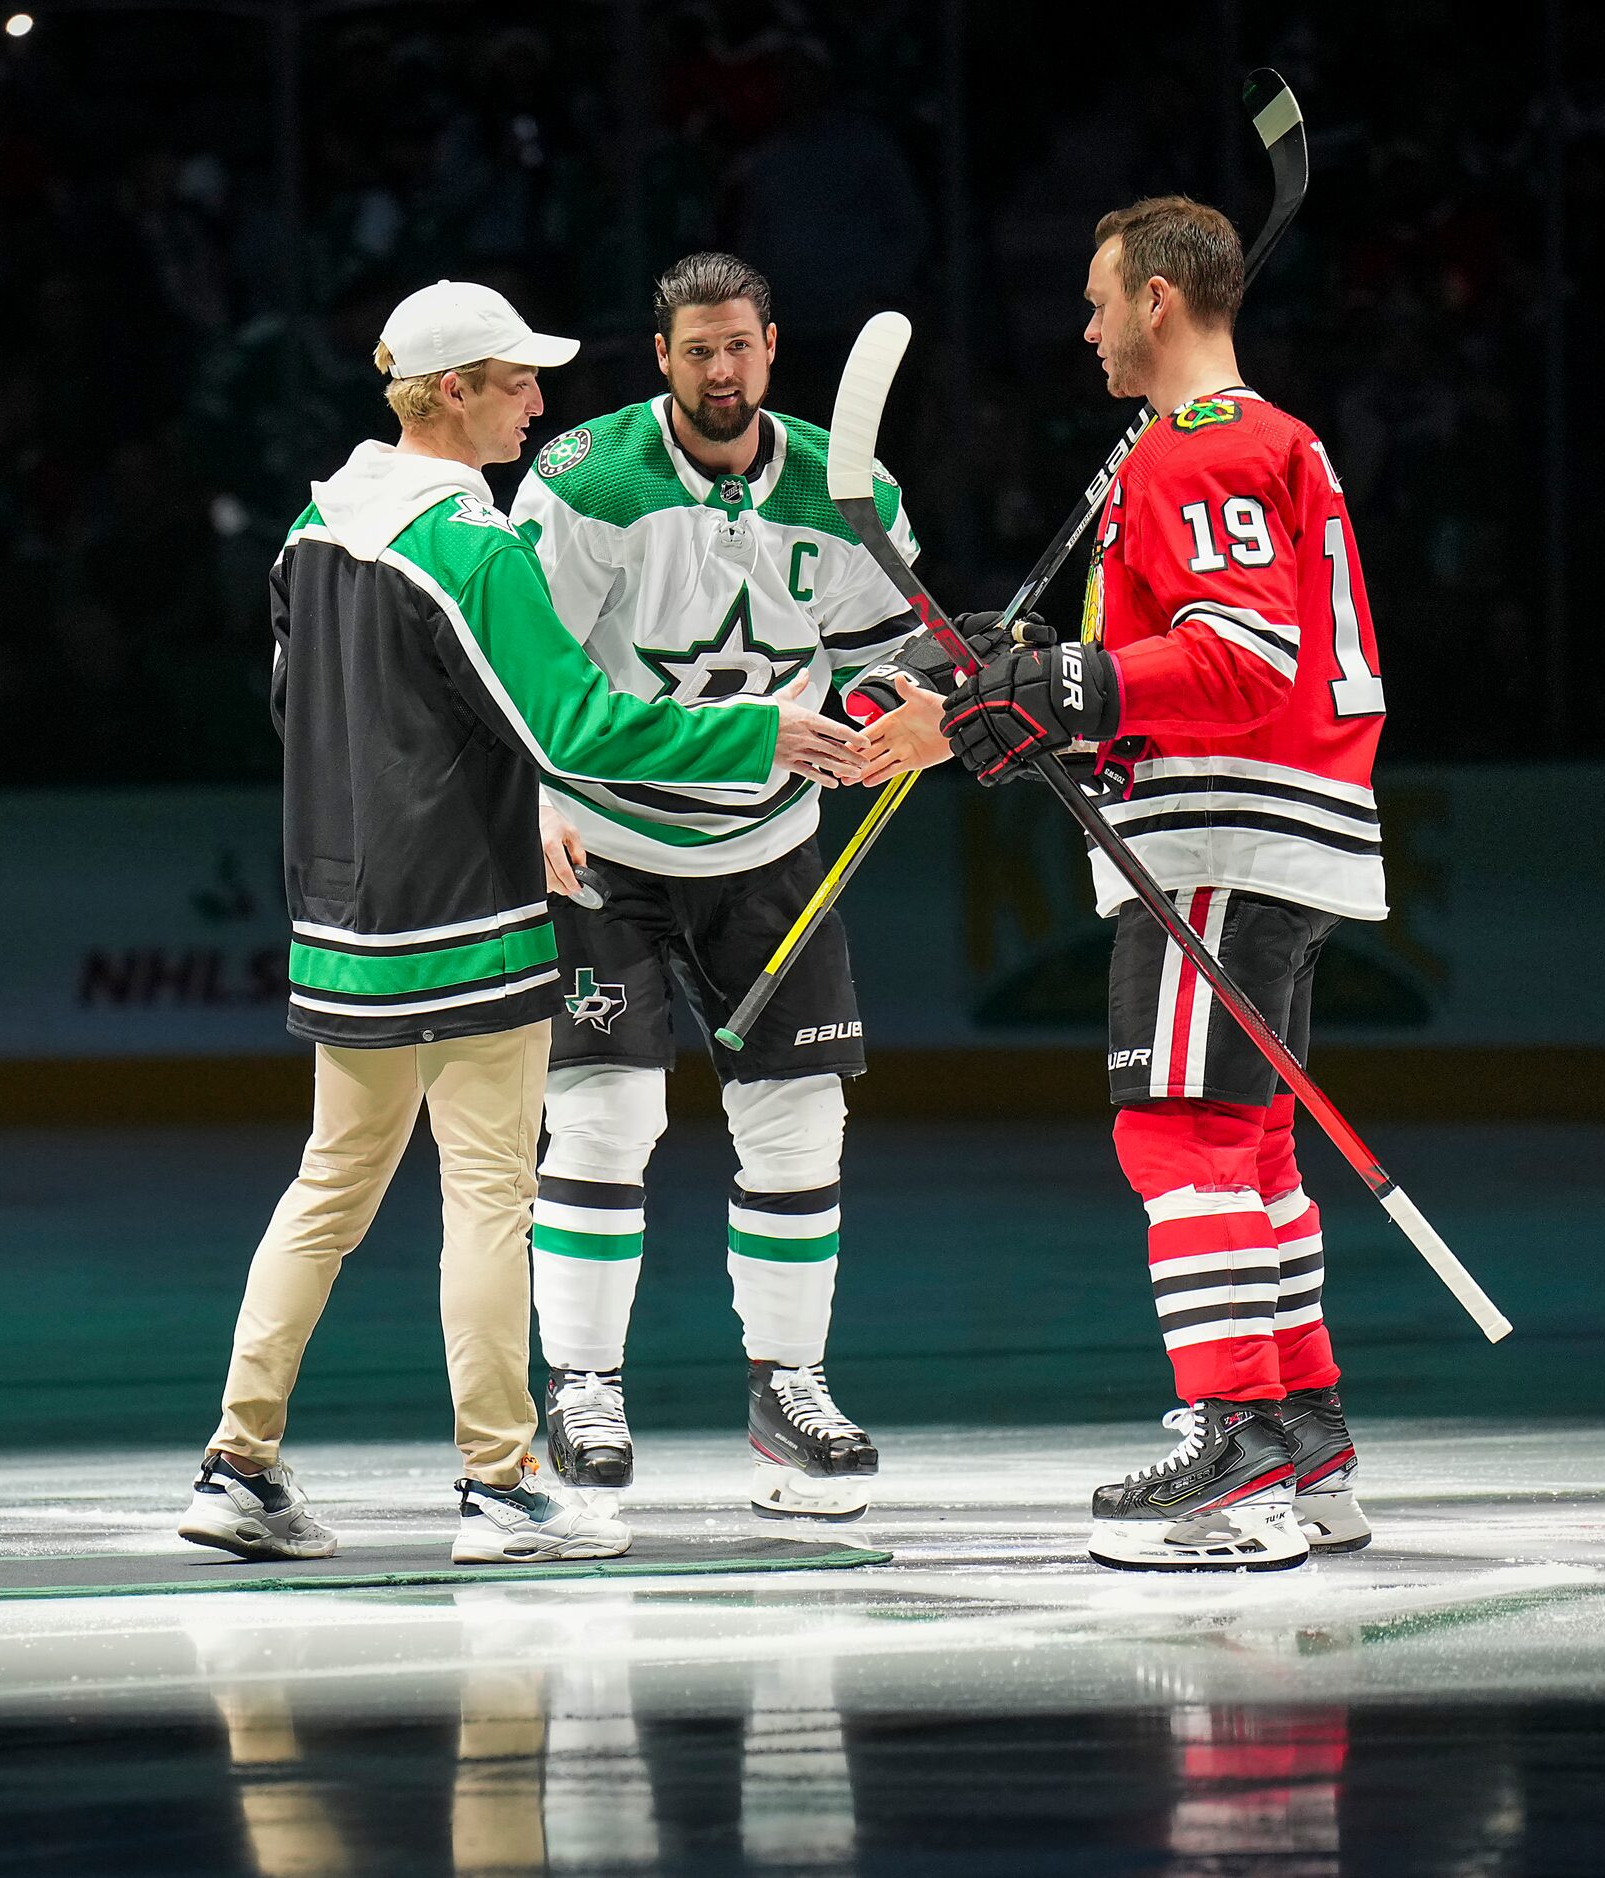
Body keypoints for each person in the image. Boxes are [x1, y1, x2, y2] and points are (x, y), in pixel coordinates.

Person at [179, 280, 868, 1566]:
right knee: (489, 1194)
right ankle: (500, 1482)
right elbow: (578, 728)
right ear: (451, 392)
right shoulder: (469, 544)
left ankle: (238, 1462)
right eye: (513, 380)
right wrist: (757, 728)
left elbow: (289, 701)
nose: (538, 402)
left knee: (331, 1186)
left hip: (341, 914)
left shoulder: (315, 525)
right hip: (470, 914)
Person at [857, 197, 1386, 1572]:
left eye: (1099, 301)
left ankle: (1235, 1456)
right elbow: (1162, 661)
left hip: (1222, 837)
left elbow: (1236, 659)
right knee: (1247, 1142)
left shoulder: (1200, 450)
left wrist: (1066, 683)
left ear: (1158, 300)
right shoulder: (1251, 442)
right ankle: (1301, 1435)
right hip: (1279, 827)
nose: (1084, 328)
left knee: (1177, 1135)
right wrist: (1020, 684)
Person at [511, 253, 923, 1520]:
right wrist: (521, 803)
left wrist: (888, 719)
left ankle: (786, 1391)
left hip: (770, 847)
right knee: (604, 1116)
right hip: (607, 842)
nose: (721, 370)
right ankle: (580, 1390)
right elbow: (514, 664)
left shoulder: (847, 487)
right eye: (697, 350)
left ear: (770, 346)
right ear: (662, 357)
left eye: (739, 346)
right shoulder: (587, 482)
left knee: (800, 1120)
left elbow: (887, 658)